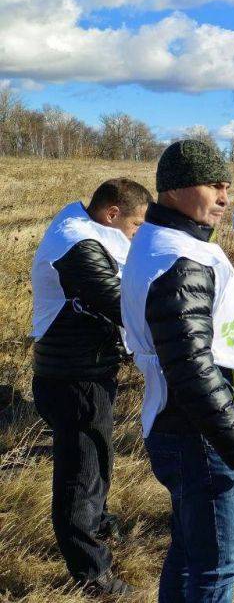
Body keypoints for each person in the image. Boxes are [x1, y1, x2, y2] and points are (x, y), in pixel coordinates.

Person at [122, 140, 234, 602]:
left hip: (182, 428)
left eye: (226, 185)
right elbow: (191, 370)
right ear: (174, 189)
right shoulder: (179, 261)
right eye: (213, 185)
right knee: (218, 569)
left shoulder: (165, 244)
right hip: (201, 437)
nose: (224, 197)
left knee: (190, 552)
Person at [30, 178, 151, 596]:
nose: (136, 234)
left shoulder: (84, 229)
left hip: (85, 368)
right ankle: (91, 574)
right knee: (80, 470)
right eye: (135, 225)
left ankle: (98, 524)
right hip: (72, 376)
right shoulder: (77, 245)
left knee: (97, 453)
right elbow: (119, 301)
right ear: (111, 214)